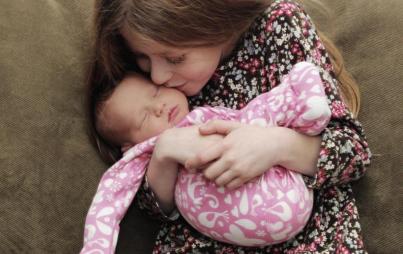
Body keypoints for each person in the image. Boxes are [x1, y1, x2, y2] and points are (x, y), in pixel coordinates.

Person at [86, 0, 372, 252]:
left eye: (175, 58)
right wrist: (164, 152)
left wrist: (275, 146)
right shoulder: (159, 89)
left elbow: (353, 152)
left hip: (307, 238)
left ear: (214, 23)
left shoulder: (278, 26)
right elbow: (153, 208)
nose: (159, 77)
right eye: (143, 60)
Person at [82, 62, 331, 253]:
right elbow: (108, 202)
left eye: (156, 92)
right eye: (144, 117)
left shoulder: (205, 115)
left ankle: (301, 94)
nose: (159, 107)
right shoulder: (142, 157)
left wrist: (276, 142)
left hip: (281, 184)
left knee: (257, 114)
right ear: (129, 146)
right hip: (238, 230)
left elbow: (250, 120)